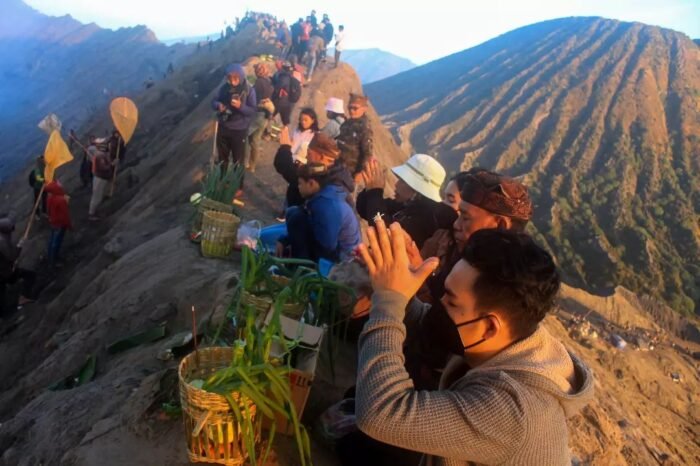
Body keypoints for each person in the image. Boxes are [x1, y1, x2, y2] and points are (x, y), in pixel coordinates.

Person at [354, 224, 594, 466]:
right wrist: (398, 286)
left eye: (451, 300)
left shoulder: (513, 413)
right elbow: (428, 323)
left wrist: (388, 301)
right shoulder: (511, 343)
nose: (440, 303)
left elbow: (381, 412)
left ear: (490, 327)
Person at [356, 155, 456, 249]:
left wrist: (374, 192)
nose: (396, 184)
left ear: (416, 189)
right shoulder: (405, 205)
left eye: (403, 181)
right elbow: (366, 209)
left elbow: (385, 236)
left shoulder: (427, 219)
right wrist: (371, 187)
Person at [279, 163, 360, 262]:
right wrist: (284, 240)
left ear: (312, 183)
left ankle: (302, 268)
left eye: (300, 183)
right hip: (334, 247)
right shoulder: (323, 194)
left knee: (297, 219)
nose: (298, 187)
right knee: (294, 212)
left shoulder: (327, 206)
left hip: (343, 256)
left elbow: (327, 246)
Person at [211, 64, 257, 181]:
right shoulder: (224, 88)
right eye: (230, 78)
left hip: (239, 130)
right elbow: (214, 100)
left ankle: (238, 186)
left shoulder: (249, 90)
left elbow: (252, 111)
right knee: (222, 158)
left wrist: (240, 106)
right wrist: (218, 105)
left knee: (238, 160)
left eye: (235, 79)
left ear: (241, 77)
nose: (232, 82)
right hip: (224, 126)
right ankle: (222, 180)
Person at [0, 217, 36, 306]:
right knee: (30, 275)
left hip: (4, 270)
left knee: (1, 293)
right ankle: (24, 297)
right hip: (5, 272)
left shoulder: (3, 238)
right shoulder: (2, 241)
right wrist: (20, 245)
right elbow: (12, 256)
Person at [336, 93, 372, 177]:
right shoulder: (346, 124)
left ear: (364, 109)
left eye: (355, 108)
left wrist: (360, 173)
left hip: (352, 172)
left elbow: (367, 153)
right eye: (349, 108)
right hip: (339, 168)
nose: (351, 111)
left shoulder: (364, 127)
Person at [247, 64, 274, 172]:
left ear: (258, 72)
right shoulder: (268, 81)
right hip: (265, 116)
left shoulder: (259, 82)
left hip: (258, 115)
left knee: (244, 135)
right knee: (255, 140)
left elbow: (254, 99)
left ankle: (243, 162)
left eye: (256, 70)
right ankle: (252, 166)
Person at [45, 181, 72, 266]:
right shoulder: (61, 200)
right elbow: (65, 215)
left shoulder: (50, 197)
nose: (61, 184)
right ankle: (54, 261)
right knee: (56, 242)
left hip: (53, 222)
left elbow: (48, 210)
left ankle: (50, 257)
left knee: (52, 241)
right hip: (60, 224)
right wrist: (69, 225)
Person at [272, 62, 302, 127]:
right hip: (289, 103)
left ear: (283, 68)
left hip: (280, 101)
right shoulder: (292, 76)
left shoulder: (284, 77)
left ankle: (267, 131)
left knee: (270, 115)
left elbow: (277, 88)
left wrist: (272, 98)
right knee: (285, 121)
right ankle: (284, 134)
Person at [88, 143, 113, 221]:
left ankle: (95, 211)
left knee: (98, 196)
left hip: (101, 178)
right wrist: (112, 164)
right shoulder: (100, 156)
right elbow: (103, 167)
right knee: (97, 196)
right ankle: (91, 214)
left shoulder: (99, 155)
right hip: (100, 178)